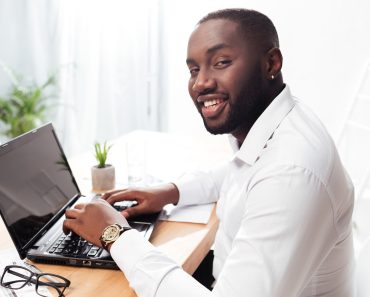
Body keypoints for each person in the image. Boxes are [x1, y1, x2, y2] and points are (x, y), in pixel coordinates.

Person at [63, 8, 355, 297]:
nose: (201, 82)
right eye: (194, 70)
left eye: (221, 62)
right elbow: (238, 172)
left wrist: (114, 234)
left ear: (271, 63)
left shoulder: (292, 171)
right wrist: (169, 192)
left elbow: (274, 177)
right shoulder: (275, 128)